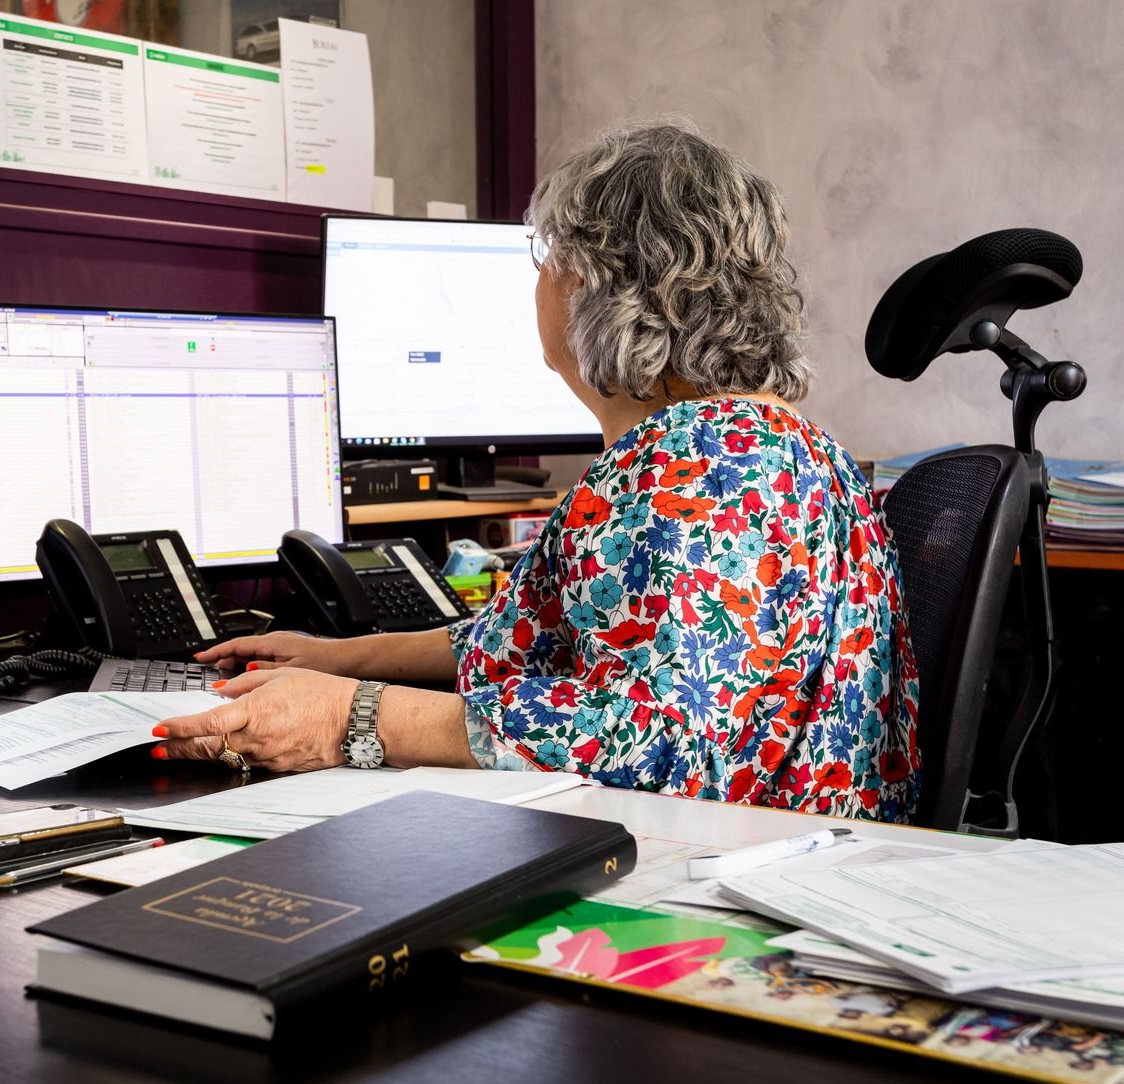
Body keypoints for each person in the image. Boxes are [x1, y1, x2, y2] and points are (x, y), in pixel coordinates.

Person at [156, 121, 921, 823]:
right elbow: (535, 633)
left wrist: (347, 717)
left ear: (601, 286)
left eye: (553, 260)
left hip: (722, 878)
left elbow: (659, 743)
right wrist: (340, 658)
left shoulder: (689, 480)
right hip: (792, 846)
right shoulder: (777, 446)